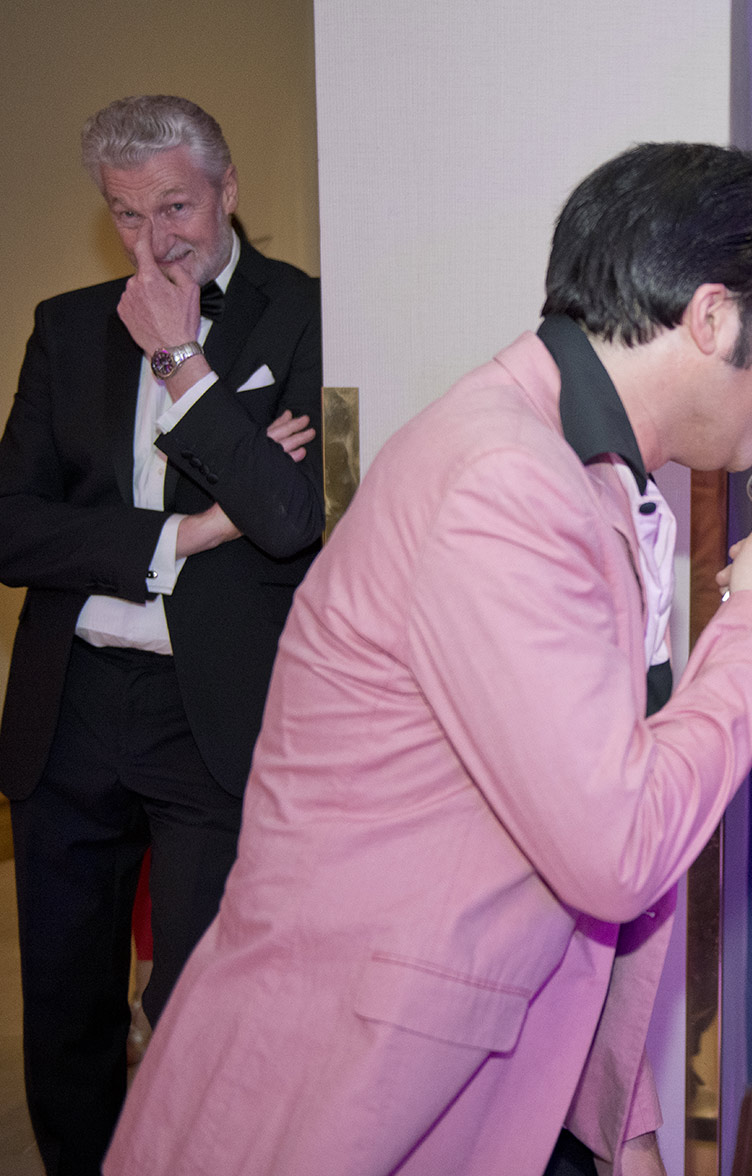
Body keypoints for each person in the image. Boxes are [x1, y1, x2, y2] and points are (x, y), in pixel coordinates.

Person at [104, 141, 752, 1176]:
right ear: (713, 317)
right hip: (356, 1081)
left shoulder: (585, 467)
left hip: (473, 1053)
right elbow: (620, 847)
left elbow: (569, 819)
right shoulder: (505, 481)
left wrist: (621, 1120)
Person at [0, 95, 322, 1176]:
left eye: (176, 207)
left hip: (213, 713)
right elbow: (12, 525)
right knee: (64, 1008)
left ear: (229, 191)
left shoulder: (307, 315)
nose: (153, 241)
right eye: (126, 215)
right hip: (72, 706)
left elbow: (288, 517)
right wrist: (186, 532)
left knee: (196, 1002)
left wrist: (183, 358)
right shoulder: (64, 326)